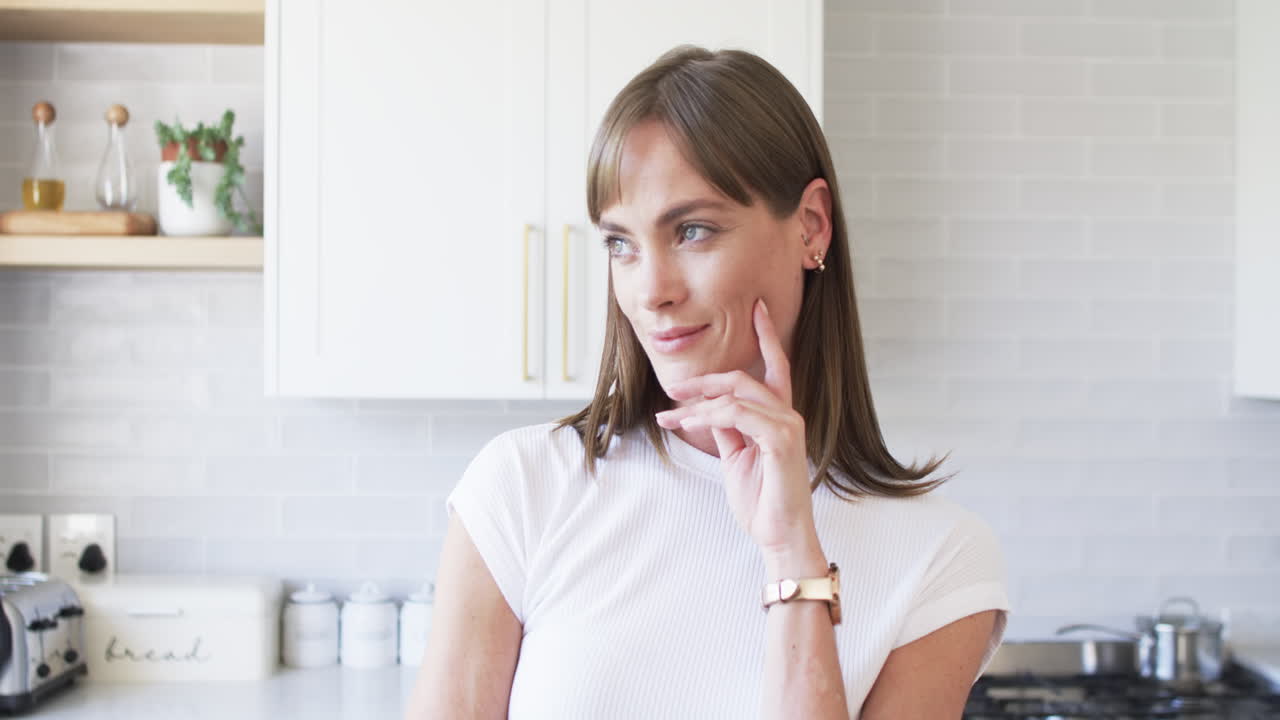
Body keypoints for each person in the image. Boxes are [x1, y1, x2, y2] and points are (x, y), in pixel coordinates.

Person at [406, 45, 1010, 719]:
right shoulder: (522, 488)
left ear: (810, 227)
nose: (650, 290)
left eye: (692, 230)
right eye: (620, 244)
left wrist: (792, 557)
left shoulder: (940, 560)